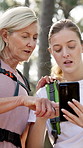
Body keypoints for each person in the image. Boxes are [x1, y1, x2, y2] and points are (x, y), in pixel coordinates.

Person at [0, 6, 57, 148]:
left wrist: (40, 111)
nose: (31, 44)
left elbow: (28, 144)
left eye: (35, 38)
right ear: (5, 35)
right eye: (25, 36)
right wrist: (22, 100)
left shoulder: (23, 83)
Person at [36, 19, 83, 148]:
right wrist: (41, 117)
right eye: (57, 49)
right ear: (51, 52)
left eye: (71, 46)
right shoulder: (44, 93)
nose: (65, 54)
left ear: (82, 46)